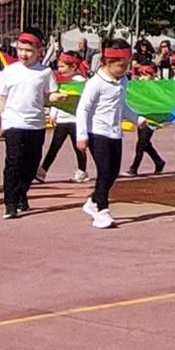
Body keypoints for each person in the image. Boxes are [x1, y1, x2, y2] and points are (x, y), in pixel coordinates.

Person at [0, 28, 59, 219]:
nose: (23, 54)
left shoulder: (44, 72)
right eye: (20, 49)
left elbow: (49, 95)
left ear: (39, 51)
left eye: (29, 50)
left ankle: (22, 192)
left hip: (36, 124)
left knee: (31, 163)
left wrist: (58, 97)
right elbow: (1, 98)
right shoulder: (10, 71)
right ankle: (10, 203)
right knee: (14, 162)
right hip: (13, 122)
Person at [76, 40, 140, 230]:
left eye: (126, 65)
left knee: (113, 173)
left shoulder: (123, 81)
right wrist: (81, 135)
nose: (124, 70)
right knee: (104, 171)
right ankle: (102, 211)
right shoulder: (96, 83)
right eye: (121, 66)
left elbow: (121, 106)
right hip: (97, 132)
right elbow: (83, 109)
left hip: (115, 133)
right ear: (107, 62)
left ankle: (93, 201)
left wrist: (137, 119)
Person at [37, 52, 90, 184]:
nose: (59, 70)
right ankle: (42, 171)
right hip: (62, 120)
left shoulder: (82, 82)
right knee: (54, 146)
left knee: (79, 148)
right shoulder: (60, 82)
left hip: (76, 121)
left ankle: (82, 171)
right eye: (58, 67)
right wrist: (53, 112)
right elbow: (56, 98)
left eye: (62, 67)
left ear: (73, 67)